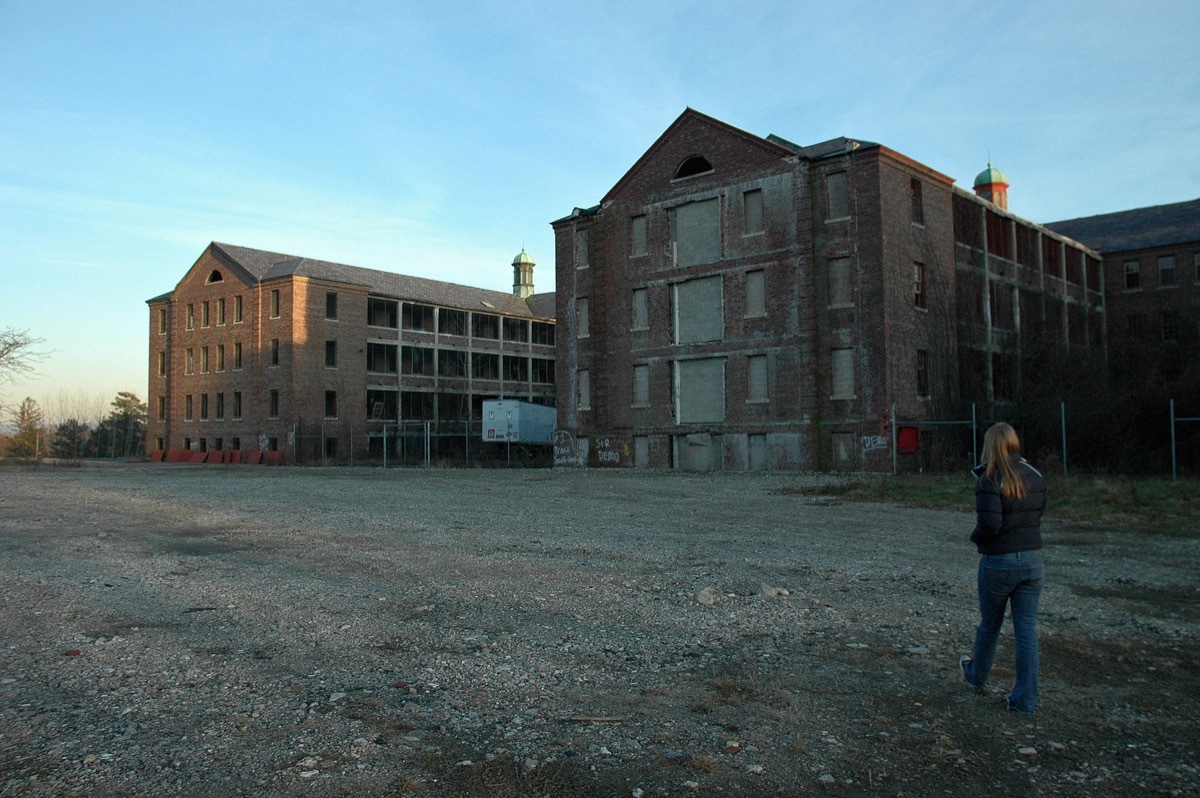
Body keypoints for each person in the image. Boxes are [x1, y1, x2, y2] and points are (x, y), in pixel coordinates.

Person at [960, 422, 1047, 712]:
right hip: (1032, 561)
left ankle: (977, 676)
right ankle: (1025, 700)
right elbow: (1038, 513)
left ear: (990, 445)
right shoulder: (1035, 476)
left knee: (990, 625)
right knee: (1026, 631)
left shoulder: (989, 479)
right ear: (1013, 442)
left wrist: (976, 539)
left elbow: (990, 524)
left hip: (998, 562)